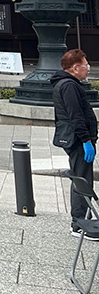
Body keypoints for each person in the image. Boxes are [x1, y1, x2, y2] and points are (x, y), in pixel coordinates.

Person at [51, 48, 99, 239]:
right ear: (75, 67)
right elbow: (76, 116)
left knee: (81, 177)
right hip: (78, 140)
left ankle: (82, 220)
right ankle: (79, 223)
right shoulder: (69, 86)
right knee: (82, 179)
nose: (88, 68)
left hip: (75, 138)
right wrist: (86, 140)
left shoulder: (66, 84)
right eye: (86, 65)